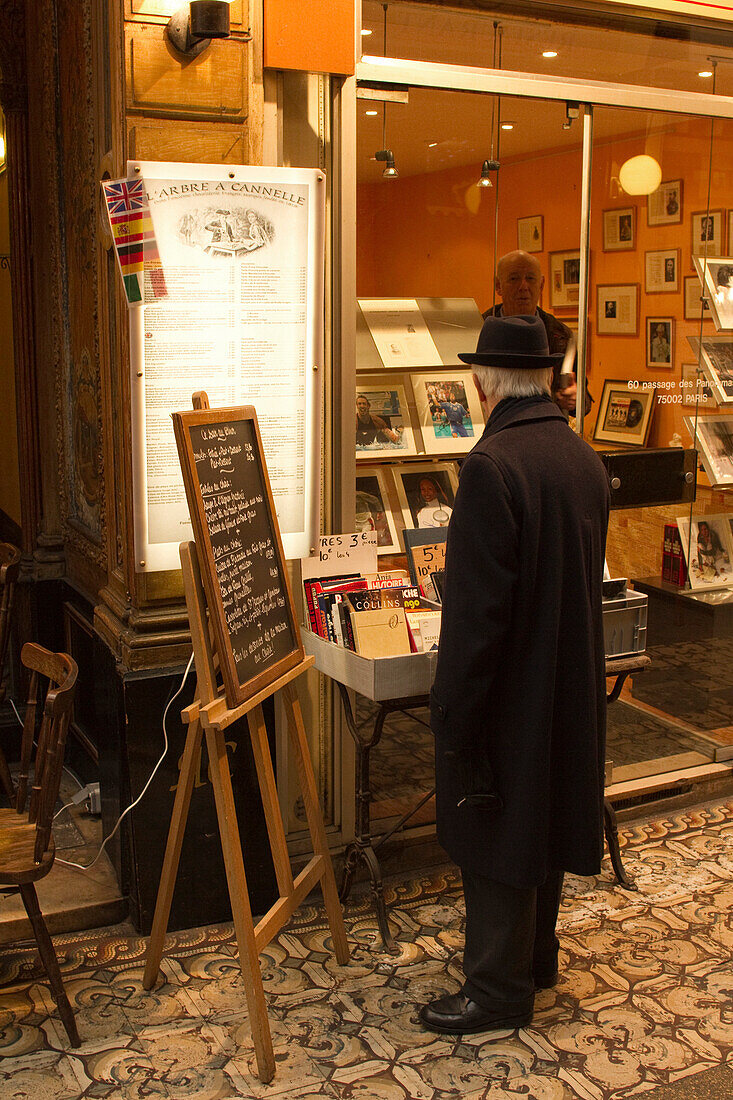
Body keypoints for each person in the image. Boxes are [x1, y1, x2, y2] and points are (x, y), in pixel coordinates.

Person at [418, 313, 609, 1036]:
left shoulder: (492, 467)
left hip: (508, 690)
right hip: (565, 679)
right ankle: (536, 956)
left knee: (496, 826)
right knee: (546, 811)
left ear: (480, 381)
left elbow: (476, 616)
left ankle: (497, 987)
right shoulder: (580, 456)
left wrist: (453, 711)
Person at [484, 250, 592, 417]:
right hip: (493, 429)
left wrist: (575, 399)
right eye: (514, 279)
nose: (523, 286)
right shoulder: (480, 329)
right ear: (498, 285)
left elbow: (584, 403)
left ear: (541, 284)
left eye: (530, 278)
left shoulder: (560, 335)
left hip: (544, 430)